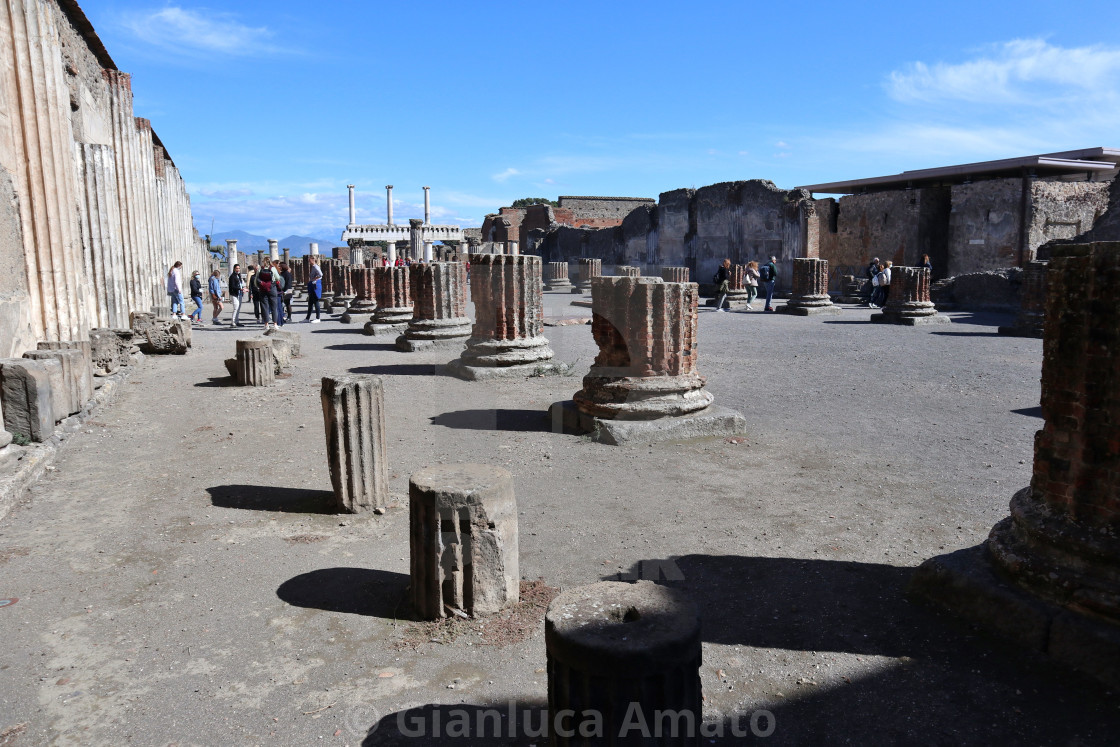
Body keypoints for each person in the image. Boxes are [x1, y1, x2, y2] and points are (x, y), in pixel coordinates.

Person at [256, 261, 276, 328]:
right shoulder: (273, 268)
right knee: (274, 307)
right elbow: (278, 278)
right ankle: (275, 323)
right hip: (271, 288)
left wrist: (259, 286)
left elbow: (256, 279)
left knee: (264, 307)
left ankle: (266, 324)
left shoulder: (260, 269)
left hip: (263, 289)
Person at [304, 255, 323, 323]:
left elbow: (321, 274)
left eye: (309, 259)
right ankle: (307, 318)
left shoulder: (315, 267)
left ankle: (318, 318)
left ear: (313, 260)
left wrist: (315, 278)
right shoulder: (313, 267)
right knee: (310, 302)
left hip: (315, 286)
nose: (309, 261)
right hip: (312, 285)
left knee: (315, 301)